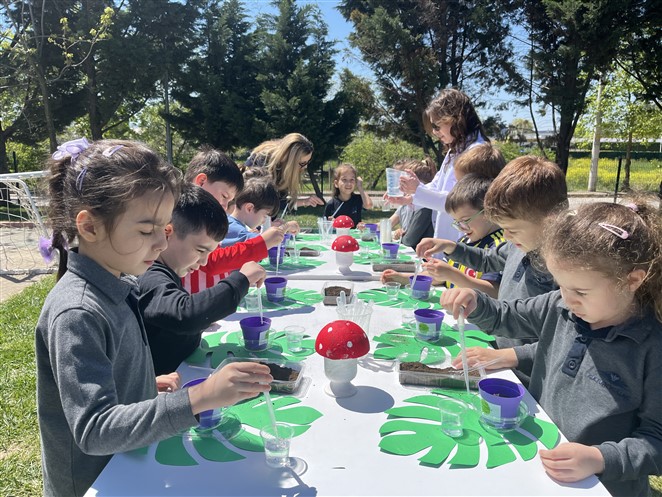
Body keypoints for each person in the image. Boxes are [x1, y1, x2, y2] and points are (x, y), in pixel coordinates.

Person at [35, 139, 272, 497]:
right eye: (147, 231)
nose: (161, 245)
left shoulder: (121, 283)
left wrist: (142, 387)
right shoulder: (78, 311)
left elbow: (111, 371)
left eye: (164, 230)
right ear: (90, 227)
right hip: (96, 482)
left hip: (133, 464)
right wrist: (200, 396)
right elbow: (95, 429)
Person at [441, 200, 662, 497]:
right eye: (561, 286)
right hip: (541, 467)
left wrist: (599, 458)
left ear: (632, 280)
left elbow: (656, 439)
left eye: (580, 291)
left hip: (601, 487)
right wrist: (475, 302)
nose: (568, 300)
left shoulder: (652, 347)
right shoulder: (562, 304)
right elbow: (509, 316)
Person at [417, 156, 568, 384]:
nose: (505, 235)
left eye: (512, 229)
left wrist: (508, 356)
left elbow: (563, 339)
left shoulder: (566, 271)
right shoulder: (518, 245)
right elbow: (488, 259)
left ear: (550, 221)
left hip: (530, 376)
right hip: (501, 361)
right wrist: (451, 247)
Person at [138, 184, 267, 375]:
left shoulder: (168, 270)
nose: (204, 261)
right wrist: (241, 280)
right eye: (200, 250)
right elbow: (184, 314)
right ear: (167, 233)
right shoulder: (149, 274)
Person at [386, 89, 488, 245]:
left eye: (437, 125)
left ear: (456, 119)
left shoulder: (477, 153)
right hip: (449, 239)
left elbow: (461, 203)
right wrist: (409, 197)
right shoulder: (455, 151)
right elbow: (435, 187)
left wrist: (417, 191)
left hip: (467, 239)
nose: (434, 132)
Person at [181, 148, 289, 294]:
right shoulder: (187, 218)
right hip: (194, 301)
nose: (225, 206)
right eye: (224, 196)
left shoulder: (205, 220)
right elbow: (212, 263)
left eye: (229, 200)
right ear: (201, 181)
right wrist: (262, 244)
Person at [383, 174, 504, 298]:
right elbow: (439, 276)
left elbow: (494, 291)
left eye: (465, 220)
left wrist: (452, 275)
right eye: (457, 222)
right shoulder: (465, 240)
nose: (462, 228)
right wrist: (404, 278)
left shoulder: (499, 246)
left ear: (488, 212)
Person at [244, 133, 325, 215]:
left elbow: (279, 202)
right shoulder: (261, 164)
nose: (305, 167)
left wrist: (305, 201)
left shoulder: (282, 167)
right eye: (302, 163)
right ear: (289, 159)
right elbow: (262, 203)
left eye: (307, 162)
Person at [388, 158, 437, 249]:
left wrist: (401, 236)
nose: (400, 186)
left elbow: (409, 240)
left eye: (404, 182)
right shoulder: (409, 205)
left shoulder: (425, 208)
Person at [222, 178, 281, 247]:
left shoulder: (227, 222)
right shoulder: (240, 234)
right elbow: (264, 242)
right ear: (249, 208)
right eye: (264, 215)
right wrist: (285, 227)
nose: (264, 221)